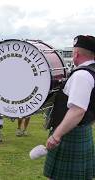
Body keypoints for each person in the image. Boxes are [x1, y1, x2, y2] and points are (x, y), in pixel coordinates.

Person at [44, 35, 95, 180]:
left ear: (76, 54)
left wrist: (56, 135)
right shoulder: (91, 71)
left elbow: (78, 110)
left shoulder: (82, 75)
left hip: (70, 133)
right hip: (81, 129)